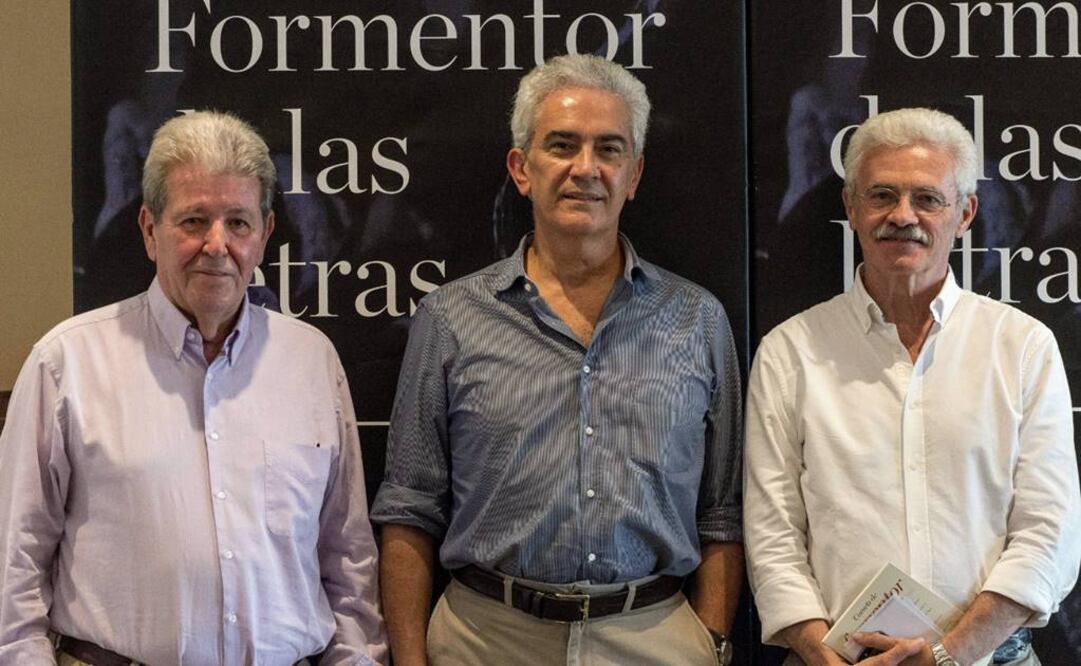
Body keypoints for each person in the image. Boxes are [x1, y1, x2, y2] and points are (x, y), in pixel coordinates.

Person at [369, 54, 743, 665]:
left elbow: (721, 511)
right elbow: (410, 507)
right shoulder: (451, 317)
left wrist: (713, 640)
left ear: (635, 173)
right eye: (562, 145)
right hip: (484, 641)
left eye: (609, 149)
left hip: (654, 639)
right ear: (522, 167)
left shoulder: (697, 319)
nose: (585, 169)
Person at [0, 111, 387, 665]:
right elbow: (14, 567)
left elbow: (347, 562)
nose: (216, 244)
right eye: (193, 221)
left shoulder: (312, 362)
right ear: (149, 229)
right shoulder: (67, 363)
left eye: (238, 223)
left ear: (265, 234)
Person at [744, 107, 1080, 666]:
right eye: (882, 196)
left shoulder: (1023, 347)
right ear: (851, 207)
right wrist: (819, 655)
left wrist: (949, 654)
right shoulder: (790, 351)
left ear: (965, 212)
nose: (904, 216)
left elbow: (1050, 531)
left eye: (928, 199)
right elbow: (772, 533)